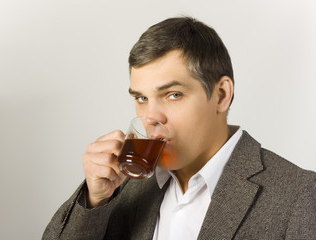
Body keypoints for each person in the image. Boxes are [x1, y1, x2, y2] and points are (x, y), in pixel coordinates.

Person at [42, 17, 316, 240]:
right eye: (141, 98)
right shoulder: (123, 189)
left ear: (221, 95)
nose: (150, 117)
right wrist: (96, 199)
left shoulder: (300, 195)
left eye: (173, 94)